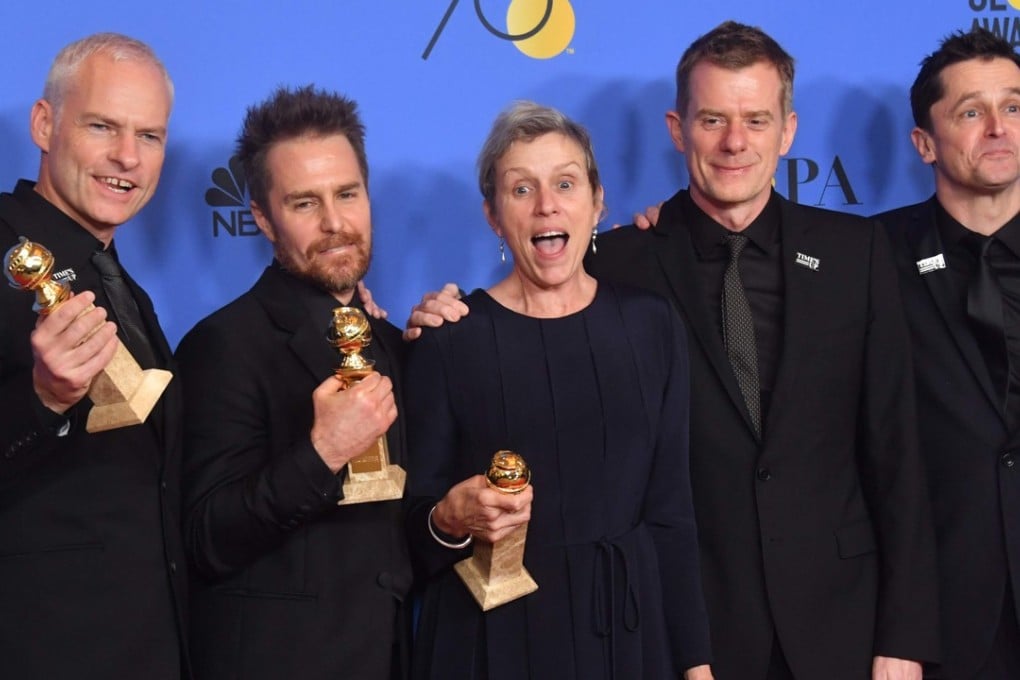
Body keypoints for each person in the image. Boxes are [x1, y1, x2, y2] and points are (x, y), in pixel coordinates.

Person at [406, 22, 939, 680]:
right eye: (712, 119)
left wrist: (904, 636)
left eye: (756, 119)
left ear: (788, 131)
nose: (735, 142)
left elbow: (897, 454)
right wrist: (433, 318)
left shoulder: (856, 253)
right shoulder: (619, 262)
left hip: (841, 625)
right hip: (685, 628)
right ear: (677, 129)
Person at [404, 101, 712, 680]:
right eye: (521, 189)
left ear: (598, 202)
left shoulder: (652, 325)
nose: (546, 204)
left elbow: (672, 514)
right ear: (493, 215)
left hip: (626, 636)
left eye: (565, 183)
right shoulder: (448, 338)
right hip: (489, 643)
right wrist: (449, 518)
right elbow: (411, 531)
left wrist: (696, 664)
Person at [175, 85, 413, 679]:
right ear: (263, 218)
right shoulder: (222, 344)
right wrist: (323, 451)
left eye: (347, 194)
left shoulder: (393, 344)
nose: (335, 223)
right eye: (305, 203)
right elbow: (205, 538)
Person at [0, 33, 190, 678]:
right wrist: (41, 399)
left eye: (149, 136)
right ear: (44, 124)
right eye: (102, 126)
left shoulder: (117, 281)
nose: (127, 157)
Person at [875, 28, 1020, 679]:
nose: (998, 127)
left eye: (1013, 106)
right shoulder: (868, 256)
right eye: (970, 112)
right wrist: (662, 229)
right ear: (924, 143)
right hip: (946, 618)